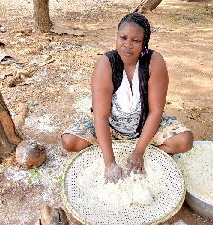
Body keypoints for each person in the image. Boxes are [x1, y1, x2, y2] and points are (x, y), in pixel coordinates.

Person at [61, 12, 193, 184]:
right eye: (123, 37)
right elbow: (101, 116)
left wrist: (138, 152)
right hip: (111, 126)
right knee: (69, 142)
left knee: (184, 141)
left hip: (144, 123)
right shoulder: (106, 64)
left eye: (135, 41)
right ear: (117, 36)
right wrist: (110, 163)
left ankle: (141, 146)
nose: (127, 45)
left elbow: (155, 111)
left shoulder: (154, 62)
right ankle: (113, 146)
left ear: (144, 43)